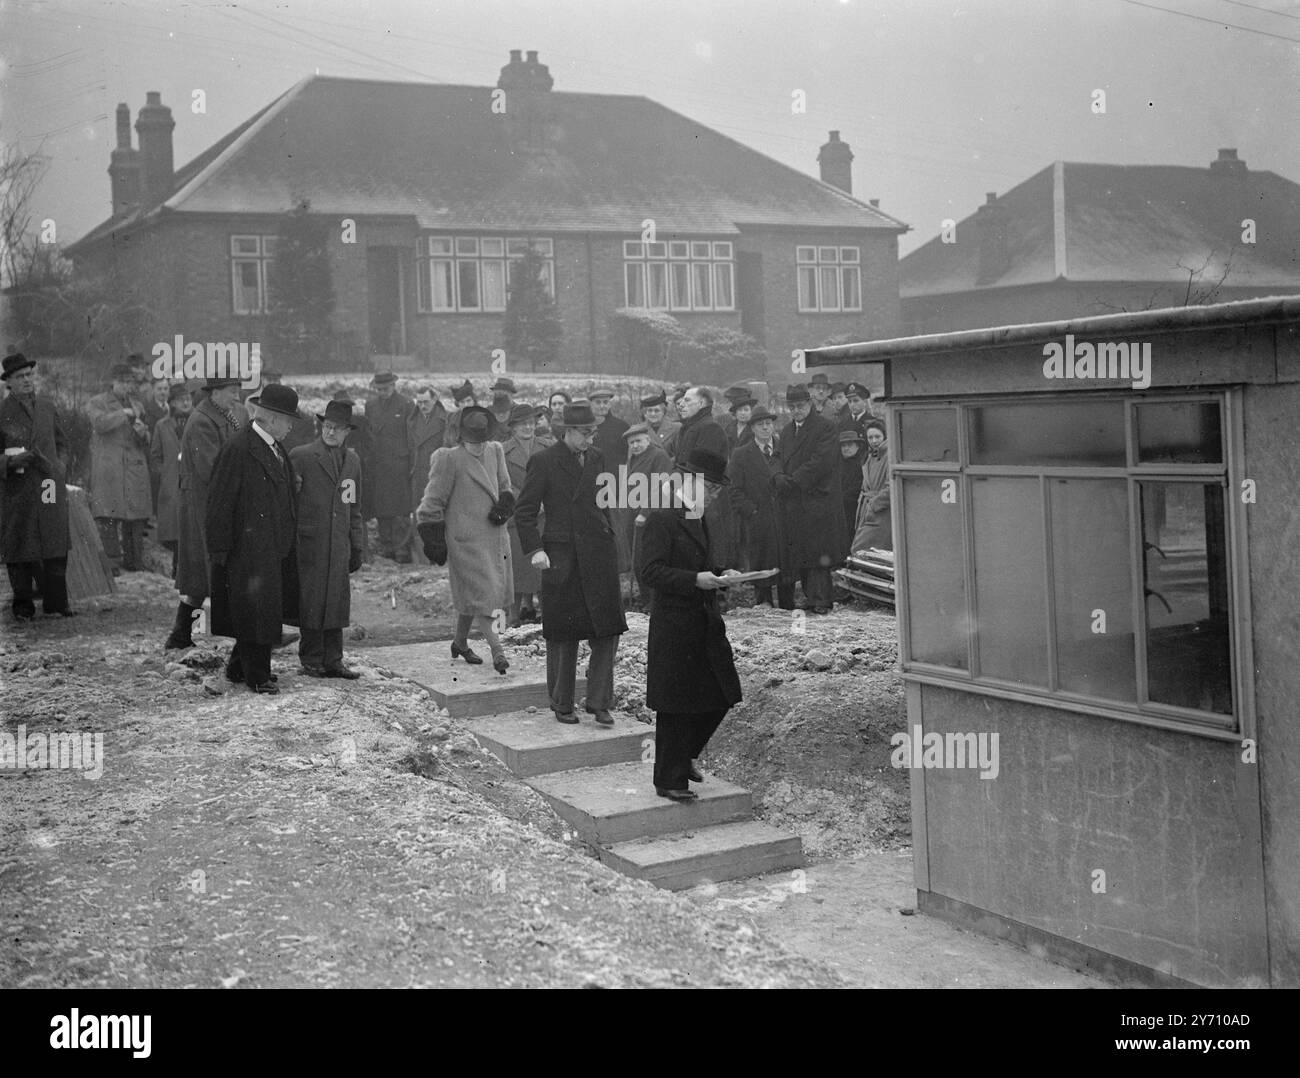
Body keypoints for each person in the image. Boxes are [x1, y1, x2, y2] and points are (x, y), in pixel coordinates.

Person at [636, 448, 743, 801]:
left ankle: (685, 757)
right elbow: (648, 571)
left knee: (722, 692)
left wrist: (719, 575)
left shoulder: (699, 516)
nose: (713, 495)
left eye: (716, 490)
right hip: (674, 623)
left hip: (702, 619)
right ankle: (669, 779)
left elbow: (699, 565)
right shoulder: (662, 517)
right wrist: (695, 580)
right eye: (710, 488)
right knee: (676, 704)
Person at [515, 400, 627, 725]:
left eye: (593, 433)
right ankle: (562, 703)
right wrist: (535, 549)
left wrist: (612, 539)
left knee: (608, 630)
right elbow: (524, 512)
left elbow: (604, 504)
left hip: (598, 554)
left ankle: (599, 702)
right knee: (565, 634)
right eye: (584, 433)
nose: (589, 439)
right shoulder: (544, 461)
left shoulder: (597, 458)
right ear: (567, 431)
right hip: (562, 557)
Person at [206, 384, 301, 694]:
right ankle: (256, 676)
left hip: (269, 545)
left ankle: (238, 669)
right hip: (247, 549)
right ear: (271, 419)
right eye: (288, 420)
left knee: (262, 609)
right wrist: (220, 550)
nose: (291, 427)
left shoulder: (272, 445)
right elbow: (219, 501)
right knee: (256, 611)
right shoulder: (240, 448)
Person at [417, 406, 515, 674]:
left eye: (480, 440)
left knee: (476, 596)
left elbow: (505, 486)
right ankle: (498, 652)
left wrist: (505, 505)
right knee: (484, 597)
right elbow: (430, 504)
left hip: (495, 539)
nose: (477, 446)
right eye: (472, 442)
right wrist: (433, 539)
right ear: (461, 437)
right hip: (465, 543)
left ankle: (460, 642)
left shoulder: (495, 450)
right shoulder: (448, 459)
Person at [164, 375, 245, 650]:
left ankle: (181, 635)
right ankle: (247, 637)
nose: (237, 397)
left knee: (200, 577)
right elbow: (213, 470)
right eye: (233, 392)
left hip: (210, 504)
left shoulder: (220, 415)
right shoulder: (202, 422)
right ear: (216, 393)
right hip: (202, 507)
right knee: (207, 572)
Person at [291, 399, 364, 679]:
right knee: (311, 599)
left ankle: (334, 659)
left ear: (348, 432)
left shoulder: (353, 461)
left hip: (339, 543)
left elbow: (354, 506)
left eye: (338, 428)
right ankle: (310, 659)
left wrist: (356, 545)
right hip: (310, 542)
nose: (331, 432)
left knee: (336, 600)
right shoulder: (303, 456)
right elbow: (290, 503)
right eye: (327, 426)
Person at [0, 353, 73, 620]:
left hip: (48, 484)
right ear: (9, 382)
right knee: (20, 545)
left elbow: (63, 443)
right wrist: (10, 461)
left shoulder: (46, 406)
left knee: (54, 541)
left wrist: (60, 467)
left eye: (30, 374)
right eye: (20, 377)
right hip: (18, 488)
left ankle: (56, 603)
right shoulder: (2, 411)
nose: (27, 380)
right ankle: (23, 606)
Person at [774, 384, 843, 615]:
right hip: (795, 501)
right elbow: (776, 457)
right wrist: (777, 476)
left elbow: (821, 462)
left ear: (810, 404)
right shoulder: (786, 432)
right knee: (802, 552)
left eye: (800, 405)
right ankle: (810, 598)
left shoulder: (825, 428)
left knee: (817, 554)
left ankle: (821, 599)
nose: (796, 410)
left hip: (817, 500)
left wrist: (792, 480)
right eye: (792, 407)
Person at [87, 362, 152, 573]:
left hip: (133, 467)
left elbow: (146, 440)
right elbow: (100, 424)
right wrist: (123, 413)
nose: (126, 386)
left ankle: (134, 561)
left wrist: (143, 433)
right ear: (112, 382)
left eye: (129, 382)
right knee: (109, 515)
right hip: (110, 468)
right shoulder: (97, 402)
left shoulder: (138, 405)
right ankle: (112, 563)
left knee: (135, 516)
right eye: (122, 382)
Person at [727, 405, 789, 607]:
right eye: (760, 424)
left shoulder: (784, 448)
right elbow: (734, 489)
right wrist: (751, 511)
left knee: (785, 560)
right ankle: (764, 603)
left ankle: (788, 604)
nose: (765, 428)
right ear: (752, 428)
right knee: (761, 557)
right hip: (758, 518)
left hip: (783, 516)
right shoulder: (741, 454)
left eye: (768, 424)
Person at [674, 386, 734, 568]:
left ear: (701, 403)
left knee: (709, 547)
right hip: (688, 496)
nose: (681, 405)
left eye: (687, 400)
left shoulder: (710, 428)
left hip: (704, 500)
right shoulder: (691, 427)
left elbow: (704, 473)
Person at [502, 403, 550, 626]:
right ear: (513, 427)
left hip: (544, 517)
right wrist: (528, 501)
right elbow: (501, 483)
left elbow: (556, 478)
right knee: (518, 570)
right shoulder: (502, 451)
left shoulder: (548, 446)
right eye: (522, 424)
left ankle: (547, 617)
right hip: (517, 516)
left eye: (531, 423)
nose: (528, 427)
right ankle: (513, 619)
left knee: (543, 571)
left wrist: (542, 501)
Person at [364, 371, 414, 562]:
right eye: (379, 389)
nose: (383, 392)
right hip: (379, 464)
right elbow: (369, 436)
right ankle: (387, 547)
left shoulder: (406, 404)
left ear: (394, 385)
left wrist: (410, 463)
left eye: (386, 388)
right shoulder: (371, 406)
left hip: (399, 464)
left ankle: (402, 550)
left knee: (401, 510)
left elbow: (411, 436)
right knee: (382, 509)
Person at [620, 422, 672, 592]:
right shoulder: (633, 458)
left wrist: (644, 512)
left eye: (638, 441)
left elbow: (662, 487)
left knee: (650, 557)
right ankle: (645, 597)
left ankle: (653, 598)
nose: (635, 446)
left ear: (648, 439)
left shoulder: (659, 456)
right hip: (633, 515)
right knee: (638, 559)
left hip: (653, 516)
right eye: (631, 443)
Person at [150, 382, 192, 578]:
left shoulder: (197, 423)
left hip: (192, 482)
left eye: (188, 399)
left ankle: (187, 572)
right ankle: (177, 571)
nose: (186, 402)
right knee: (174, 530)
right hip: (171, 485)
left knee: (190, 528)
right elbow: (155, 456)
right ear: (172, 403)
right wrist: (166, 474)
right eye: (181, 399)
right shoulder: (162, 425)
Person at [407, 385, 448, 561]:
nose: (422, 406)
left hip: (436, 475)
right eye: (419, 402)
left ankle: (439, 555)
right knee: (419, 515)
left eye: (426, 402)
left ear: (435, 400)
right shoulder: (412, 420)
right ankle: (422, 557)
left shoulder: (444, 420)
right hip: (417, 475)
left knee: (437, 514)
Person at [852, 419, 892, 553]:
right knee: (864, 552)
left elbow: (891, 487)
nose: (874, 440)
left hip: (881, 512)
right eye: (870, 437)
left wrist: (874, 504)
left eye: (877, 436)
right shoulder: (869, 457)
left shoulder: (890, 456)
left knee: (864, 550)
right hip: (866, 509)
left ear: (885, 436)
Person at [837, 429, 866, 553]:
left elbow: (859, 485)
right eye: (843, 445)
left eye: (849, 445)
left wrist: (841, 497)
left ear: (857, 446)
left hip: (854, 507)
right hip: (837, 508)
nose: (846, 448)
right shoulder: (836, 463)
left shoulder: (862, 464)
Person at [588, 386, 628, 472]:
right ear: (591, 404)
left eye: (605, 402)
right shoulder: (584, 427)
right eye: (598, 403)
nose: (602, 406)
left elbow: (628, 455)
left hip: (615, 478)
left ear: (610, 404)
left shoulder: (622, 427)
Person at [443, 380, 478, 447]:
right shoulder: (452, 419)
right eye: (462, 402)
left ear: (474, 401)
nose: (466, 405)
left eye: (468, 401)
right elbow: (447, 442)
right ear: (458, 404)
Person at [488, 377, 515, 441]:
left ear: (511, 394)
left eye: (503, 392)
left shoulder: (519, 411)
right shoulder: (488, 411)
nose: (499, 395)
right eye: (496, 393)